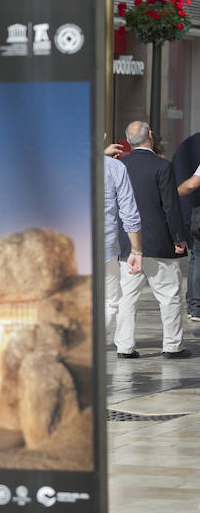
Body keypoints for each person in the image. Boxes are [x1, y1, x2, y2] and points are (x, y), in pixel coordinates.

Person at [115, 121, 189, 359]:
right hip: (159, 242)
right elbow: (170, 205)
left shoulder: (118, 166)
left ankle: (124, 347)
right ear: (150, 136)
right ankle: (172, 345)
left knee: (127, 297)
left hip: (128, 245)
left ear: (128, 140)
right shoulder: (162, 166)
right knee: (169, 295)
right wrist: (178, 237)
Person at [103, 142, 142, 330]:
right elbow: (128, 211)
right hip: (104, 246)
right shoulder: (114, 166)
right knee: (109, 300)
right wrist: (136, 250)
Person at [172, 132, 200, 320]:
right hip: (196, 212)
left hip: (187, 213)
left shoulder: (187, 144)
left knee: (195, 258)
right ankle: (196, 306)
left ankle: (193, 306)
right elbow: (192, 184)